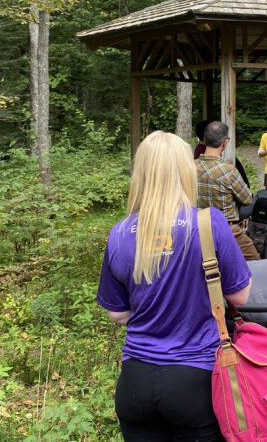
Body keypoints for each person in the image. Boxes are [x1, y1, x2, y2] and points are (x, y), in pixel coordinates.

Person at [96, 131, 252, 441]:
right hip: (196, 378)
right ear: (185, 170)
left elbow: (117, 314)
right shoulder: (210, 224)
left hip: (135, 380)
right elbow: (241, 295)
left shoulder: (119, 233)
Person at [195, 121, 259, 261]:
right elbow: (247, 198)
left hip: (197, 231)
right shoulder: (228, 171)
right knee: (256, 263)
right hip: (228, 231)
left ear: (204, 140)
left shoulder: (190, 167)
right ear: (225, 142)